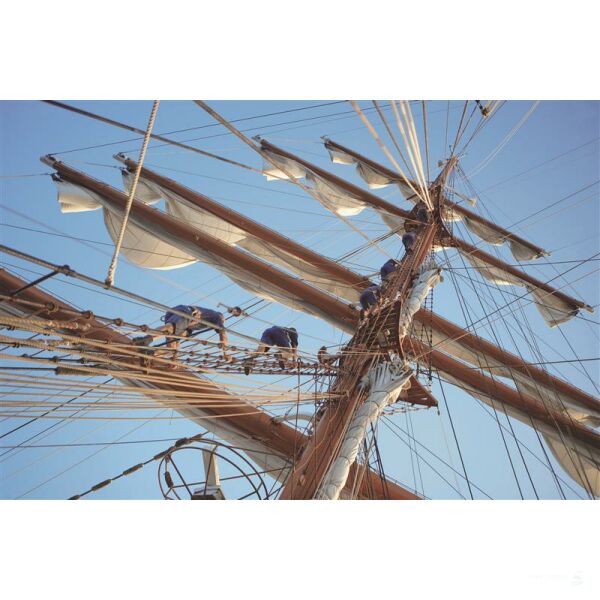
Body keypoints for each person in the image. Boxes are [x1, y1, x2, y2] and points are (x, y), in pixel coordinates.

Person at [133, 305, 242, 364]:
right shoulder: (218, 317)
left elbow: (179, 339)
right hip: (188, 313)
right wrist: (225, 354)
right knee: (171, 328)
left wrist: (174, 359)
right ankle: (145, 340)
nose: (222, 322)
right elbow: (223, 335)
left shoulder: (194, 328)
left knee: (171, 348)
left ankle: (150, 354)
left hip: (180, 316)